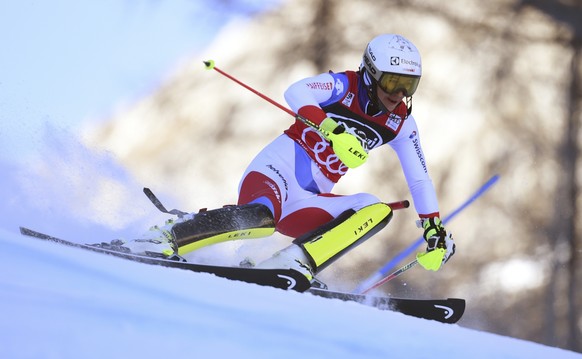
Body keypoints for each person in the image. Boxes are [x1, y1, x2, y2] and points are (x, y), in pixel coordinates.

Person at [120, 34, 455, 281]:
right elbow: (296, 91)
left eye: (409, 86)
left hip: (306, 200)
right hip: (274, 173)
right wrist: (333, 132)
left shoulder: (402, 124)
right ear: (370, 73)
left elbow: (419, 177)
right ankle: (163, 237)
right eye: (393, 82)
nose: (399, 95)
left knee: (375, 210)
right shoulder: (344, 85)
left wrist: (433, 227)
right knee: (261, 220)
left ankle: (294, 261)